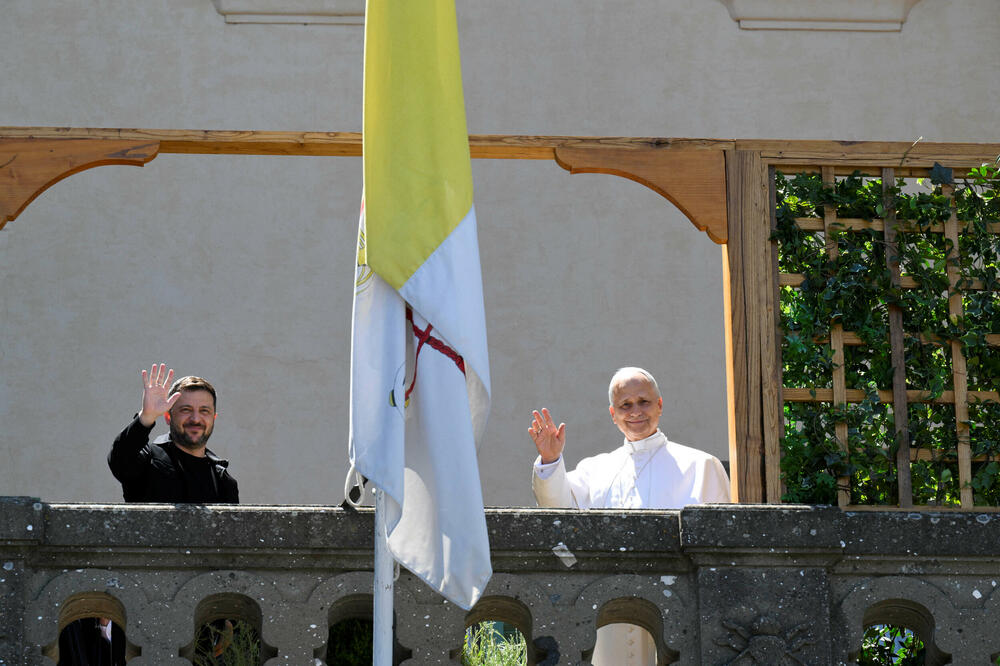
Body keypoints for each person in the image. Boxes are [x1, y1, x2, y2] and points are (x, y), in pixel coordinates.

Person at [529, 367, 730, 666]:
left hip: (678, 610)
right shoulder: (595, 469)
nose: (635, 411)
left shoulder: (701, 465)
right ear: (613, 414)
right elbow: (558, 508)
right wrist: (550, 459)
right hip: (608, 616)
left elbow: (720, 553)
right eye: (625, 405)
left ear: (660, 405)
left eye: (644, 402)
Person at [108, 363, 239, 503]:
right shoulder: (148, 460)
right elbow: (120, 458)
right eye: (186, 410)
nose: (195, 419)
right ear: (168, 417)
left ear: (213, 418)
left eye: (204, 411)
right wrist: (146, 417)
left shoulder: (223, 481)